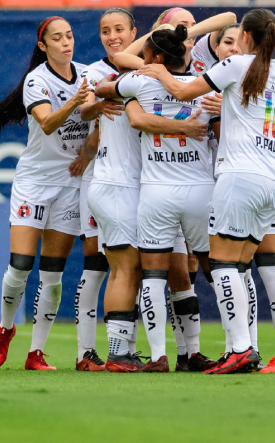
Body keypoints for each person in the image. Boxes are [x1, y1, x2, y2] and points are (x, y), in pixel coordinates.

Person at [137, 8, 275, 375]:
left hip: (240, 177)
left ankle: (240, 348)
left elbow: (182, 89)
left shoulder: (236, 66)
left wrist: (159, 70)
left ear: (246, 38)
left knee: (222, 264)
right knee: (239, 267)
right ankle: (245, 346)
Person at [89, 25, 209, 373]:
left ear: (154, 56)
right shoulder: (200, 84)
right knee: (127, 269)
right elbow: (103, 92)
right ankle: (118, 353)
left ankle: (184, 353)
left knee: (175, 275)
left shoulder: (135, 82)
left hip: (147, 190)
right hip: (124, 186)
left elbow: (104, 88)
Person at [0, 16, 91, 371]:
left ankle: (36, 353)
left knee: (53, 273)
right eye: (57, 38)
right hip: (35, 182)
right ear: (43, 46)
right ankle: (5, 329)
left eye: (70, 36)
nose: (66, 42)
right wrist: (77, 100)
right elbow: (47, 123)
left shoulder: (88, 73)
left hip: (71, 183)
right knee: (20, 266)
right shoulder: (37, 80)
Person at [70, 8, 133, 371]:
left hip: (133, 180)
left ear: (133, 32)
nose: (113, 36)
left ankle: (124, 347)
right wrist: (98, 105)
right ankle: (84, 352)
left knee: (129, 266)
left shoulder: (144, 68)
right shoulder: (95, 72)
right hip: (101, 180)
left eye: (119, 29)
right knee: (96, 262)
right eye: (106, 31)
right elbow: (84, 111)